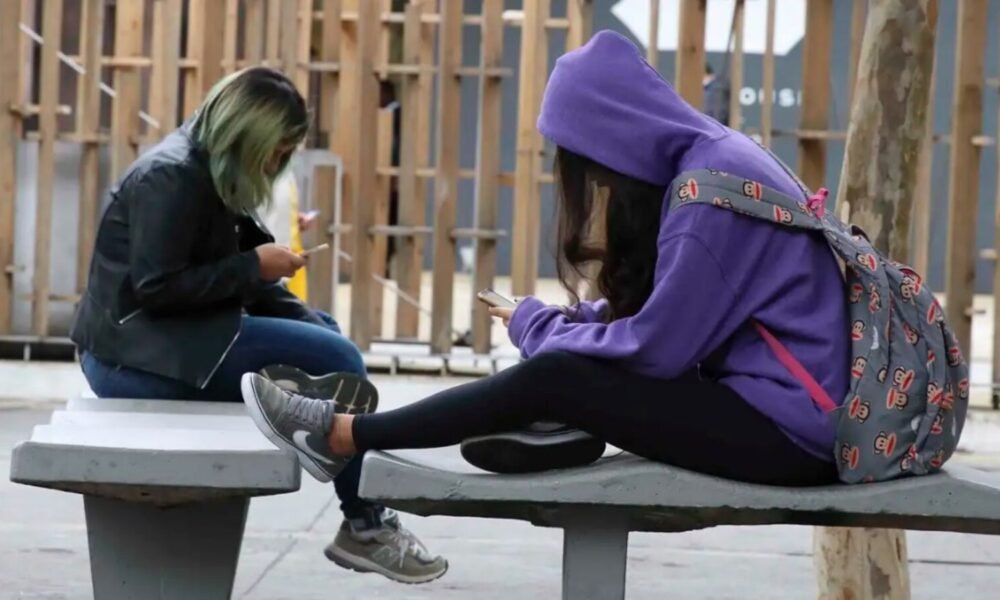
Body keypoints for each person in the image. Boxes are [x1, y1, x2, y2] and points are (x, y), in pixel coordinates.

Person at [238, 31, 848, 490]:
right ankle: (556, 419)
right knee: (564, 373)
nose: (594, 182)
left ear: (609, 139)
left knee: (556, 376)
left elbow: (655, 350)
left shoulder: (706, 196)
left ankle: (341, 435)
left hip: (793, 433)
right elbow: (692, 309)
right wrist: (578, 321)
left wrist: (540, 328)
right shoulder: (720, 160)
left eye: (587, 163)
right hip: (780, 406)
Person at [70, 66, 447, 584]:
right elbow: (158, 289)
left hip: (169, 340)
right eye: (276, 151)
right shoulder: (171, 177)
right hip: (129, 358)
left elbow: (255, 283)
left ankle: (334, 462)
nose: (276, 163)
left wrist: (302, 313)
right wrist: (254, 267)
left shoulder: (210, 168)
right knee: (339, 361)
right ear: (248, 135)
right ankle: (365, 523)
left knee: (328, 338)